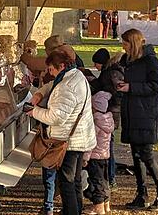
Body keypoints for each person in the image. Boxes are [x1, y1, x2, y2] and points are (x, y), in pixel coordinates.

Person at [27, 50, 96, 215]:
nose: (50, 73)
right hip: (80, 138)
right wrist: (39, 94)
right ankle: (76, 210)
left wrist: (33, 111)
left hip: (69, 142)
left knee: (67, 182)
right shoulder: (74, 75)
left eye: (51, 69)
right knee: (76, 180)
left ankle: (71, 211)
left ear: (62, 66)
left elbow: (55, 117)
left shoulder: (67, 87)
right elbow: (51, 85)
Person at [118, 29, 158, 211]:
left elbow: (156, 86)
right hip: (132, 113)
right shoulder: (128, 61)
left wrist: (131, 87)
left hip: (146, 114)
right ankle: (142, 194)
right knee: (136, 157)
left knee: (147, 156)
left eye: (125, 43)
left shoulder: (150, 62)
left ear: (132, 43)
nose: (122, 47)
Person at [89, 48, 123, 189]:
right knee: (106, 145)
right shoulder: (109, 72)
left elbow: (112, 90)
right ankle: (109, 177)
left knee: (106, 146)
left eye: (96, 63)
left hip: (109, 113)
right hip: (110, 112)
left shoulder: (111, 74)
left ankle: (110, 177)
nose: (95, 66)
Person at [83, 91, 114, 215]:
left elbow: (91, 143)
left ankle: (98, 207)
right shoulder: (108, 120)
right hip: (105, 155)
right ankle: (106, 204)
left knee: (96, 182)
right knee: (104, 181)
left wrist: (85, 158)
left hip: (95, 156)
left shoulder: (95, 122)